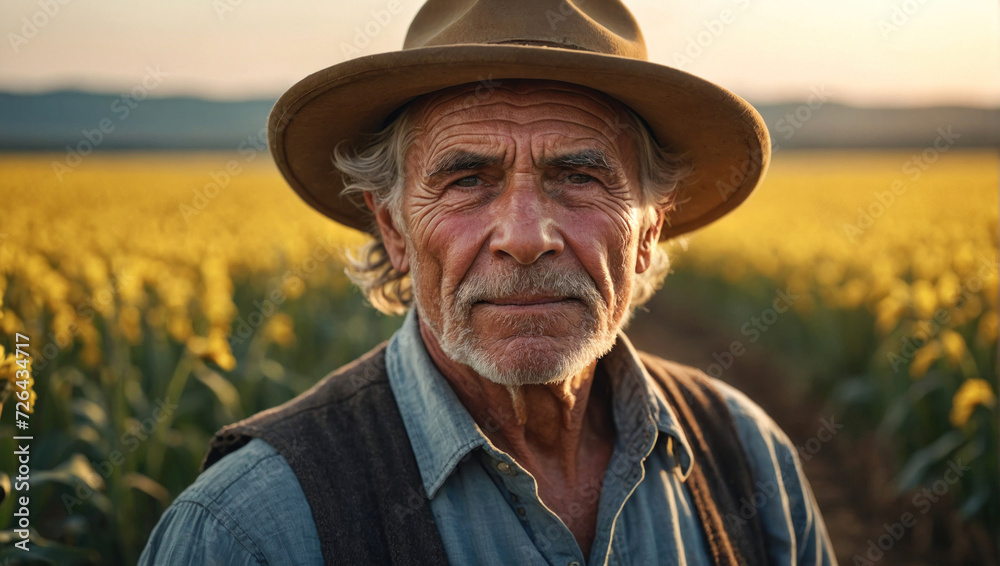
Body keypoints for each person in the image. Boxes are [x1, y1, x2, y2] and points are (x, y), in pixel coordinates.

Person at [141, 0, 836, 564]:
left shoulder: (751, 461)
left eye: (580, 176)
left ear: (650, 227)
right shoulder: (248, 532)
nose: (526, 237)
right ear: (392, 230)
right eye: (468, 180)